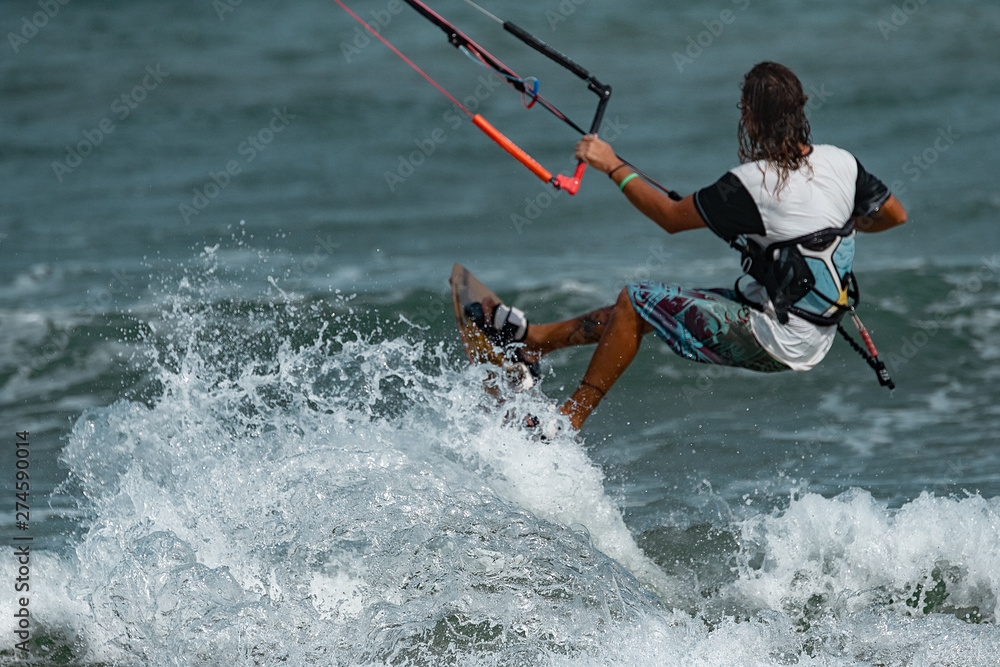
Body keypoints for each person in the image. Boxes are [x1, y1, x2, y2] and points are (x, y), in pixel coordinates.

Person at [472, 61, 907, 432]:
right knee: (642, 312)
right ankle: (531, 343)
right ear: (799, 111)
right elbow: (893, 215)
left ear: (750, 118)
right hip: (807, 328)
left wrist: (610, 164)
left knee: (636, 301)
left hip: (777, 334)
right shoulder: (841, 163)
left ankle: (561, 426)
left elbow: (667, 216)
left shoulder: (749, 184)